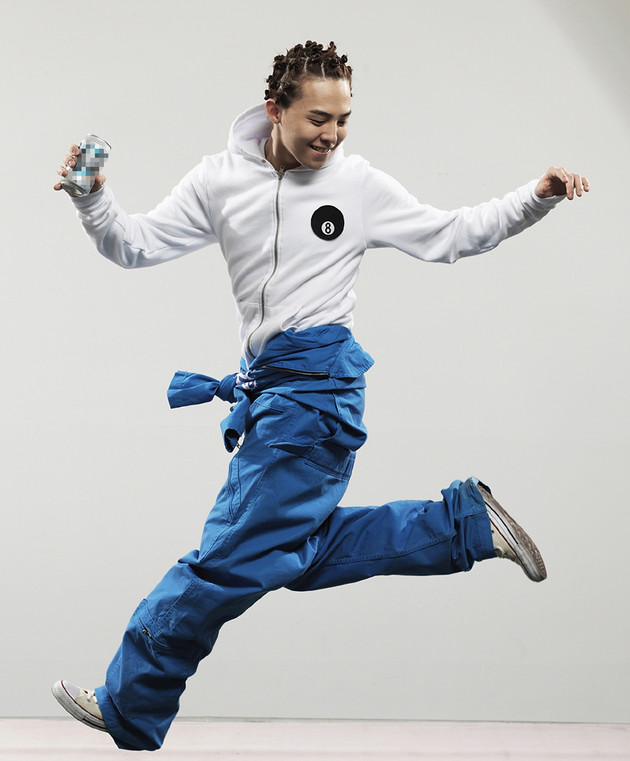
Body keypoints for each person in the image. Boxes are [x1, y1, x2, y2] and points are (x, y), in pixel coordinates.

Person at [51, 40, 588, 751]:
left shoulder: (356, 184)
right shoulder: (219, 181)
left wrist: (535, 197)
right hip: (272, 392)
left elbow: (452, 234)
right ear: (275, 110)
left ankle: (130, 702)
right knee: (288, 555)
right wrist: (92, 197)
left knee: (223, 560)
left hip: (317, 396)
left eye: (343, 120)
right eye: (318, 119)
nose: (332, 135)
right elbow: (135, 244)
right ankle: (463, 523)